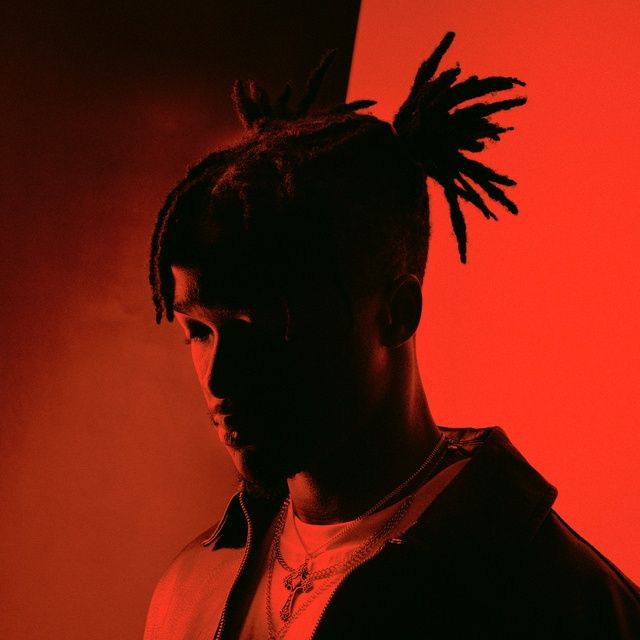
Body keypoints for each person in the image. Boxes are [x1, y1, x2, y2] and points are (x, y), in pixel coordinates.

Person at [143, 33, 639, 639]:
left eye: (262, 329)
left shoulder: (563, 604)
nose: (219, 378)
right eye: (198, 331)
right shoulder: (188, 592)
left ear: (398, 314)